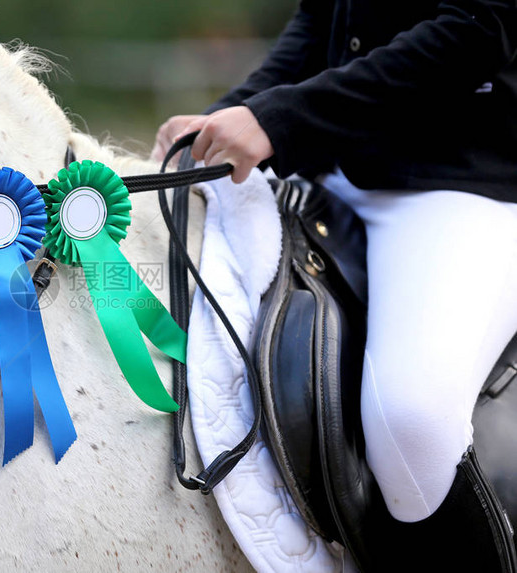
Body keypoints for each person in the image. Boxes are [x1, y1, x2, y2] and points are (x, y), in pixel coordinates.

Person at [153, 0, 517, 569]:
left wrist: (278, 120)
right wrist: (234, 113)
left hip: (463, 182)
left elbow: (477, 31)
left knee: (412, 421)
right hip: (335, 164)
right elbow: (323, 22)